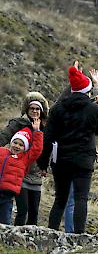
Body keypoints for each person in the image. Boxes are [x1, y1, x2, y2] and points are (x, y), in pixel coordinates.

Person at [37, 62, 98, 234]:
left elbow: (48, 138)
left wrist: (43, 163)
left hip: (61, 159)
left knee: (60, 199)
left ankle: (51, 233)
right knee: (81, 198)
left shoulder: (57, 109)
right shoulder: (94, 109)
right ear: (87, 90)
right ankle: (79, 235)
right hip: (84, 159)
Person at [0, 92, 49, 226]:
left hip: (37, 175)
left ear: (42, 111)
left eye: (37, 108)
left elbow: (46, 150)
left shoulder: (46, 128)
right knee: (22, 210)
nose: (34, 111)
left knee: (34, 212)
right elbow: (3, 138)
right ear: (27, 109)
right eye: (32, 108)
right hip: (20, 173)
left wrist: (46, 166)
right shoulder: (18, 124)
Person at [0, 122, 43, 225]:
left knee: (5, 222)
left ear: (25, 148)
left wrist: (37, 132)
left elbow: (37, 149)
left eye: (21, 145)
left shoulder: (24, 159)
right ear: (11, 142)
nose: (17, 146)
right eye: (15, 143)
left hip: (8, 196)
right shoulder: (2, 152)